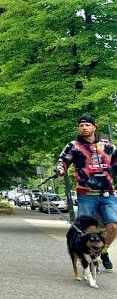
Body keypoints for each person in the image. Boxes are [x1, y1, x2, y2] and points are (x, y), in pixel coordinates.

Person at [57, 114, 117, 271]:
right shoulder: (74, 145)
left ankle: (102, 251)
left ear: (94, 127)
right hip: (86, 194)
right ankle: (92, 259)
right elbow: (63, 160)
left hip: (107, 193)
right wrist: (61, 169)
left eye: (87, 125)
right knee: (88, 229)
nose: (84, 127)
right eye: (82, 125)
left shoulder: (108, 146)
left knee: (113, 226)